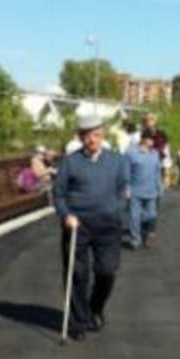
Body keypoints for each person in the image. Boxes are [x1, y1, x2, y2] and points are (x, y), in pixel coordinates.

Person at [54, 117, 128, 341]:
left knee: (107, 271)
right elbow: (59, 194)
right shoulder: (70, 162)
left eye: (95, 134)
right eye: (86, 135)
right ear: (80, 137)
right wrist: (66, 215)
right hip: (79, 225)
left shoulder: (116, 160)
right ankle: (78, 321)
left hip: (108, 225)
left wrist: (116, 209)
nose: (91, 140)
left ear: (102, 134)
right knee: (77, 274)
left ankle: (94, 307)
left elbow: (122, 188)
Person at [126, 132, 162, 249]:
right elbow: (126, 171)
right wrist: (127, 187)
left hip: (151, 191)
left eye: (153, 139)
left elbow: (157, 172)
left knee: (151, 215)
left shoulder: (155, 153)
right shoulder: (131, 153)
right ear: (143, 139)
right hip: (135, 191)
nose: (152, 141)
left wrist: (159, 187)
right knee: (134, 217)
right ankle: (135, 240)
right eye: (150, 139)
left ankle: (146, 234)